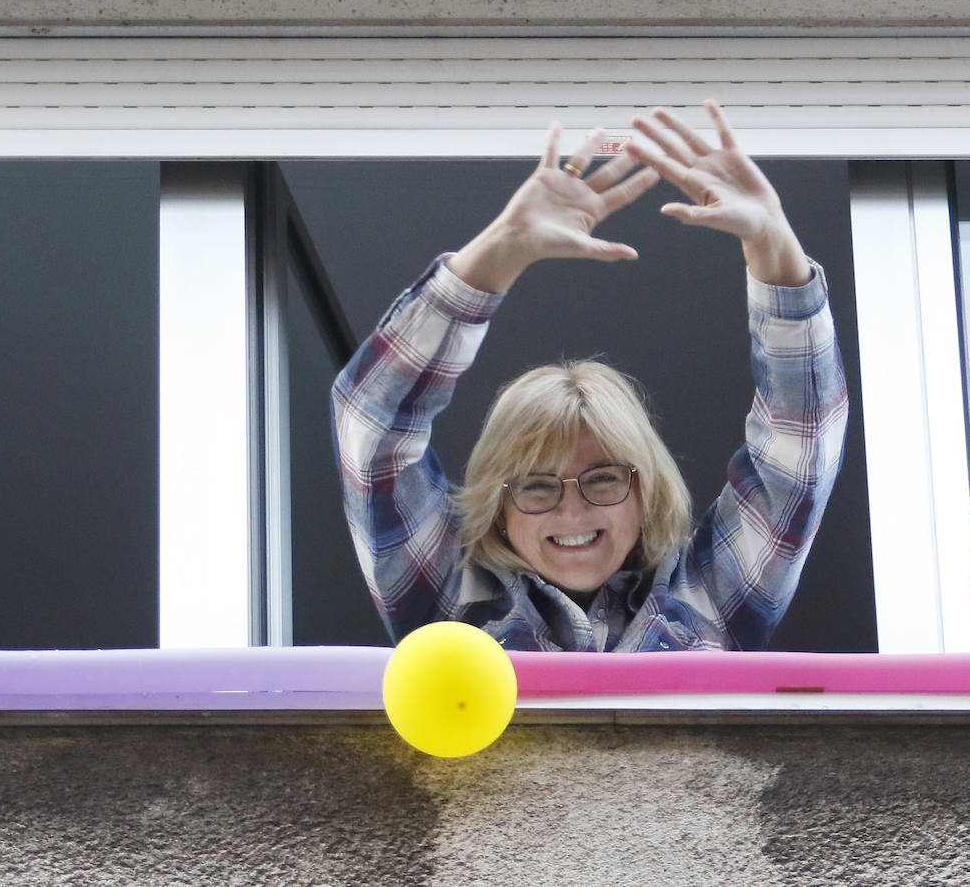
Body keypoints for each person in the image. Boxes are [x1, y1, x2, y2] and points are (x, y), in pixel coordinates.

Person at [331, 101, 848, 651]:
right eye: (535, 486)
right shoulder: (449, 600)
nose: (571, 510)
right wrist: (498, 252)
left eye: (603, 478)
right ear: (499, 510)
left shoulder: (706, 594)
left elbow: (800, 446)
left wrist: (772, 243)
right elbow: (373, 425)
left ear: (645, 493)